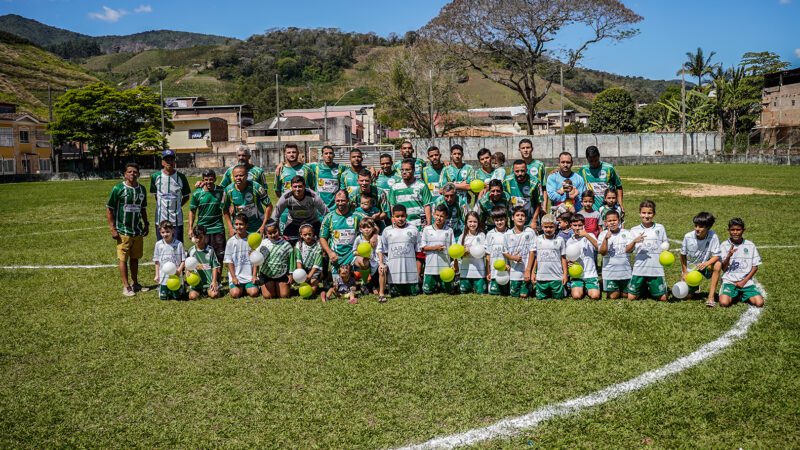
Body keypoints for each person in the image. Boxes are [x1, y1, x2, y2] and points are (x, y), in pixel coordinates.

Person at [106, 162, 149, 297]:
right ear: (125, 174)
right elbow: (110, 208)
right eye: (129, 172)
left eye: (135, 172)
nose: (132, 174)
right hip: (123, 231)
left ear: (139, 174)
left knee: (135, 258)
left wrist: (146, 224)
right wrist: (112, 228)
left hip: (137, 230)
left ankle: (135, 283)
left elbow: (143, 208)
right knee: (123, 259)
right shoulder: (118, 189)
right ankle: (126, 286)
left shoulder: (141, 189)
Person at [625, 200, 669, 301]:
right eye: (644, 213)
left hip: (656, 269)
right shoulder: (634, 230)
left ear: (654, 214)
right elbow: (627, 250)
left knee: (663, 298)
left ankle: (650, 286)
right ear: (639, 213)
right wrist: (634, 241)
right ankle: (644, 286)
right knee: (631, 298)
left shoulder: (660, 228)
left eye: (649, 213)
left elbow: (665, 244)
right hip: (639, 269)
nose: (646, 216)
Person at [377, 204, 422, 302]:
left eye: (402, 216)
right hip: (394, 276)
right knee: (395, 294)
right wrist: (383, 265)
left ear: (406, 215)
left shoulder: (413, 230)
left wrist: (418, 273)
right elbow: (382, 250)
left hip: (411, 275)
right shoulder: (387, 231)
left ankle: (413, 282)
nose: (400, 219)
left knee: (414, 294)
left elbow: (418, 253)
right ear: (393, 217)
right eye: (397, 216)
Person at [719, 218, 764, 308]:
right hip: (729, 281)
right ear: (728, 231)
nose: (735, 232)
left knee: (759, 303)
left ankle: (740, 294)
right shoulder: (724, 245)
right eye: (732, 230)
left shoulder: (750, 245)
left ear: (743, 230)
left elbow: (755, 267)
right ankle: (736, 294)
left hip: (745, 282)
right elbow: (723, 268)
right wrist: (728, 256)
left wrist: (744, 281)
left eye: (738, 230)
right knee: (724, 303)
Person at [680, 212, 723, 307]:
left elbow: (716, 255)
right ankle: (695, 286)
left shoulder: (713, 236)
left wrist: (706, 263)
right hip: (692, 267)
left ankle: (711, 297)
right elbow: (682, 255)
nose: (697, 229)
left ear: (708, 227)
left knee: (718, 264)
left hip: (706, 266)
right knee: (686, 296)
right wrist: (685, 272)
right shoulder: (688, 237)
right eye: (695, 226)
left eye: (700, 227)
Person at [270, 175, 328, 243]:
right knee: (285, 243)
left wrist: (328, 230)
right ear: (291, 187)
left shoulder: (313, 196)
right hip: (294, 223)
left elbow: (326, 213)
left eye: (300, 186)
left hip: (312, 222)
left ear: (304, 186)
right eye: (295, 186)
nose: (297, 189)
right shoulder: (286, 197)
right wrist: (274, 231)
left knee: (322, 240)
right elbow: (275, 215)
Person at [150, 149, 190, 243]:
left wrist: (178, 205)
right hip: (160, 219)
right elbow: (156, 195)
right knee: (162, 247)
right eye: (167, 160)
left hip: (176, 220)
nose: (169, 162)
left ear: (174, 161)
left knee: (177, 247)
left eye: (171, 159)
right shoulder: (155, 177)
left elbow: (186, 196)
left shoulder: (181, 177)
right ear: (162, 162)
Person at [320, 189, 362, 276]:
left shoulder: (357, 216)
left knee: (364, 263)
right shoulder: (329, 217)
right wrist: (330, 252)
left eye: (342, 200)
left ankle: (365, 283)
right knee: (338, 286)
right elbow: (322, 238)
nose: (340, 203)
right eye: (337, 201)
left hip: (353, 254)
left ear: (348, 200)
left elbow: (373, 228)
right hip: (336, 256)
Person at [222, 165, 272, 236]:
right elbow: (225, 209)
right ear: (233, 177)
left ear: (247, 176)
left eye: (241, 175)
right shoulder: (228, 190)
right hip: (239, 229)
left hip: (257, 228)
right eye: (236, 176)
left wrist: (263, 226)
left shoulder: (256, 187)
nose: (238, 178)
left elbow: (269, 206)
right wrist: (230, 228)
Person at [188, 169, 226, 265]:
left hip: (218, 227)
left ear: (215, 179)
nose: (208, 182)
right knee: (203, 254)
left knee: (220, 255)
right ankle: (207, 276)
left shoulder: (221, 191)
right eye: (206, 180)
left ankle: (218, 279)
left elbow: (227, 206)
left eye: (211, 179)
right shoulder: (197, 193)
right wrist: (190, 228)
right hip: (202, 229)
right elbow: (192, 211)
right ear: (203, 180)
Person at [388, 158, 433, 232]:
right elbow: (393, 207)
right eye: (402, 170)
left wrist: (428, 225)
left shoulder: (422, 186)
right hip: (402, 226)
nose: (404, 172)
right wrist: (394, 224)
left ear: (414, 170)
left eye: (407, 169)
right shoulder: (394, 187)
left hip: (419, 226)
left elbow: (427, 206)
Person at [421, 204, 456, 294]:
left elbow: (454, 249)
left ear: (446, 217)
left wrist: (454, 263)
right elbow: (423, 248)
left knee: (448, 291)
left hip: (445, 269)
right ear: (433, 214)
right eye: (437, 215)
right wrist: (435, 248)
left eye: (441, 216)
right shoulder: (427, 230)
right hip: (430, 268)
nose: (439, 218)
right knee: (427, 291)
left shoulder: (449, 230)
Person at [223, 213, 260, 299]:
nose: (238, 227)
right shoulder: (230, 242)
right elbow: (229, 262)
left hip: (249, 276)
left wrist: (254, 276)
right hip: (237, 277)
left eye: (241, 224)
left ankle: (247, 287)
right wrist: (234, 277)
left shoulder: (252, 239)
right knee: (235, 294)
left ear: (246, 225)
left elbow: (256, 260)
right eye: (236, 224)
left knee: (254, 293)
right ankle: (239, 288)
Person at [597, 210, 632, 299]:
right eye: (609, 221)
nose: (612, 222)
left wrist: (634, 242)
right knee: (613, 296)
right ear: (605, 223)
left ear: (619, 221)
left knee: (626, 295)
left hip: (626, 272)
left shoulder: (626, 233)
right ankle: (602, 283)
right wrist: (606, 239)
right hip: (610, 273)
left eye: (615, 220)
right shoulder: (602, 234)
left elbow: (630, 250)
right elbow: (603, 253)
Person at [578, 145, 624, 213]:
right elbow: (574, 181)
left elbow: (619, 186)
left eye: (596, 160)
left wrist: (620, 205)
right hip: (591, 209)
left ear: (599, 156)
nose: (594, 163)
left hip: (609, 208)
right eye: (591, 161)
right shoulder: (583, 170)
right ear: (587, 159)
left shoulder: (609, 168)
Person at [532, 214, 567, 300]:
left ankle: (564, 290)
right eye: (546, 227)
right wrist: (533, 272)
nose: (548, 229)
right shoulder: (537, 239)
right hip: (541, 277)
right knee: (540, 298)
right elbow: (536, 258)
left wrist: (565, 274)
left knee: (559, 298)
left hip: (556, 277)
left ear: (555, 226)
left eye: (551, 227)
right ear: (542, 227)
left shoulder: (560, 240)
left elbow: (563, 258)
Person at [504, 206, 537, 298]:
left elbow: (532, 252)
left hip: (526, 270)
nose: (520, 217)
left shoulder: (530, 232)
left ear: (526, 218)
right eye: (517, 215)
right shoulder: (507, 234)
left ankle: (529, 284)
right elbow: (504, 252)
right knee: (514, 295)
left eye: (522, 215)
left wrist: (528, 270)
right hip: (514, 271)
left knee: (523, 295)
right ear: (512, 218)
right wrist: (512, 258)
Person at [566, 214, 601, 300]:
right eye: (575, 225)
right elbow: (568, 256)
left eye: (580, 225)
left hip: (591, 274)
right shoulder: (570, 241)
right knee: (576, 296)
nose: (577, 228)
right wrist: (569, 262)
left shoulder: (590, 235)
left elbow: (599, 248)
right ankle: (580, 288)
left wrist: (587, 235)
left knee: (595, 296)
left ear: (584, 225)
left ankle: (588, 287)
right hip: (577, 275)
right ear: (571, 226)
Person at [255, 221, 294, 299]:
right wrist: (254, 275)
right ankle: (265, 286)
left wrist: (290, 274)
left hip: (281, 274)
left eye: (275, 232)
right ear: (266, 234)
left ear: (279, 230)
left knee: (284, 295)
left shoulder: (286, 245)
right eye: (270, 233)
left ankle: (279, 285)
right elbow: (256, 260)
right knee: (268, 296)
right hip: (266, 274)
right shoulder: (262, 244)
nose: (273, 235)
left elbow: (291, 260)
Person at [503, 159, 543, 229]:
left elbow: (539, 203)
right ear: (513, 171)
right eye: (517, 171)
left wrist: (534, 221)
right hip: (513, 220)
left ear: (526, 170)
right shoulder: (507, 181)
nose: (520, 173)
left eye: (522, 171)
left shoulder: (535, 182)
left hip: (530, 220)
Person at [153, 220, 186, 301]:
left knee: (178, 297)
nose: (165, 234)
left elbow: (183, 260)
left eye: (168, 232)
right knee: (163, 298)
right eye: (163, 232)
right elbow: (156, 261)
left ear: (173, 231)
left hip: (176, 275)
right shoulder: (158, 244)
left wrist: (179, 270)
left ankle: (180, 288)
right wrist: (157, 275)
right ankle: (164, 289)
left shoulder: (179, 244)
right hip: (163, 276)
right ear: (160, 232)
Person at [186, 225, 221, 300]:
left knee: (214, 295)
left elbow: (215, 267)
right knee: (192, 296)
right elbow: (188, 265)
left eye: (201, 237)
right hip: (196, 284)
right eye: (196, 237)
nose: (198, 240)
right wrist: (187, 271)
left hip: (209, 283)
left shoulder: (210, 250)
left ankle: (210, 289)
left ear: (205, 236)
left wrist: (214, 281)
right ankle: (199, 291)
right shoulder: (191, 251)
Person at [459, 212, 487, 294]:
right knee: (464, 293)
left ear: (478, 223)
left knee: (481, 293)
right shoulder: (462, 236)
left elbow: (484, 251)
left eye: (475, 222)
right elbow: (457, 253)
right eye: (470, 222)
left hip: (479, 273)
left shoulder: (482, 235)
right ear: (466, 223)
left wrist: (470, 250)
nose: (472, 224)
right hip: (465, 273)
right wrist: (463, 252)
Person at [306, 145, 341, 209]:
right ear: (322, 156)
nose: (328, 155)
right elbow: (299, 165)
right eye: (326, 153)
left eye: (330, 153)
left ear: (334, 155)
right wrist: (283, 163)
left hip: (335, 207)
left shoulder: (340, 167)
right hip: (319, 206)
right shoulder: (315, 167)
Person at [486, 206, 510, 296]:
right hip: (494, 272)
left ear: (506, 219)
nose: (499, 222)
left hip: (507, 271)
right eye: (496, 220)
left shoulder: (510, 233)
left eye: (501, 219)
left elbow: (512, 253)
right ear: (493, 220)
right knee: (494, 293)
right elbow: (488, 254)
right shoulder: (490, 234)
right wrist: (488, 271)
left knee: (507, 293)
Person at [293, 224, 323, 296]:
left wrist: (309, 276)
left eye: (309, 234)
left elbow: (317, 263)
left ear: (313, 233)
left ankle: (316, 284)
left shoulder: (318, 245)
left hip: (314, 271)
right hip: (303, 269)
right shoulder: (299, 245)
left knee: (312, 291)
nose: (308, 236)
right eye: (305, 235)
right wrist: (302, 275)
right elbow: (298, 260)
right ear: (301, 235)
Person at [352, 218, 380, 294]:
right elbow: (354, 251)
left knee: (376, 292)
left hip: (374, 259)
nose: (366, 230)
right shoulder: (358, 238)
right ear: (360, 229)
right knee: (364, 261)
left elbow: (380, 250)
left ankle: (372, 284)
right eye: (364, 228)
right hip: (362, 259)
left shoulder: (376, 238)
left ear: (373, 228)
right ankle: (364, 282)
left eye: (368, 227)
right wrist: (362, 254)